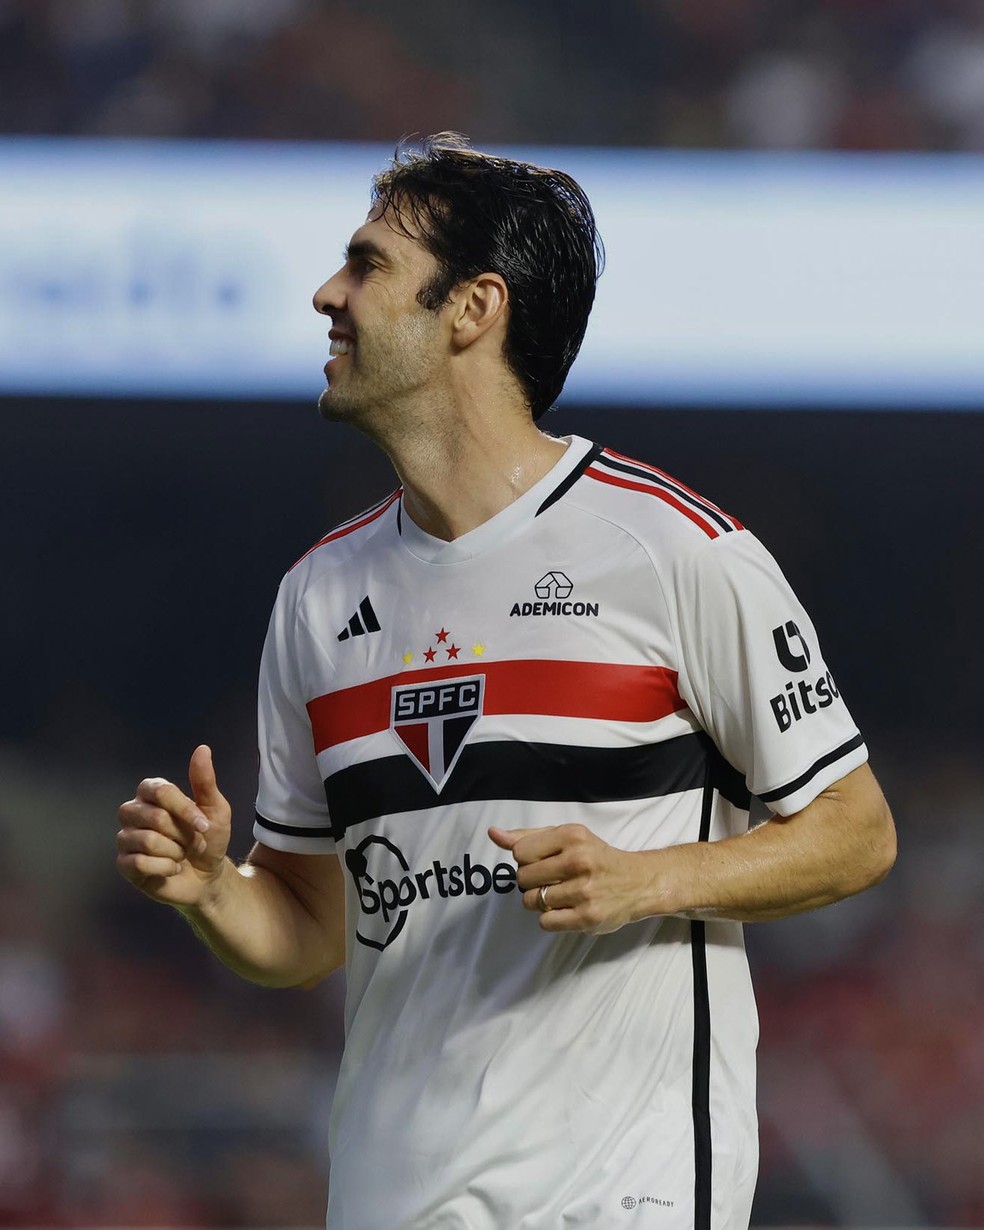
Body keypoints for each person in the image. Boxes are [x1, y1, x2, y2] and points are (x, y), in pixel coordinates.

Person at [116, 133, 896, 1230]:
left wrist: (652, 880)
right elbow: (309, 930)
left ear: (473, 309)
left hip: (620, 1190)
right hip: (395, 1193)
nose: (325, 294)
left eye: (368, 265)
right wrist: (211, 892)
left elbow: (856, 833)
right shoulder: (318, 598)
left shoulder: (675, 552)